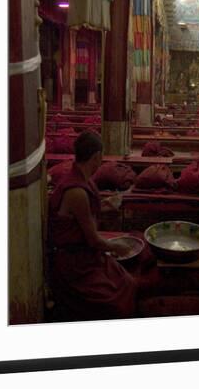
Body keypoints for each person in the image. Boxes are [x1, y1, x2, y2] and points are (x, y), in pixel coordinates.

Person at [47, 131, 137, 321]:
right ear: (96, 156)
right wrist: (117, 246)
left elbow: (83, 214)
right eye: (101, 157)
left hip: (86, 254)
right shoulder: (76, 191)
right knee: (116, 301)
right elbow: (94, 239)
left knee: (127, 281)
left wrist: (106, 204)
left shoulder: (83, 179)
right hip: (75, 264)